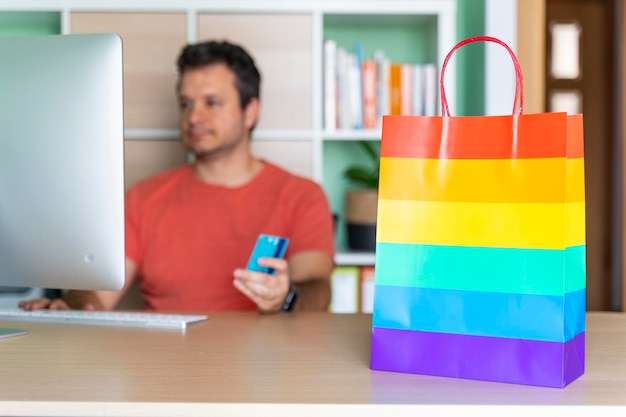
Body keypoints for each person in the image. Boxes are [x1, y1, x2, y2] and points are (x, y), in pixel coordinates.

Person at [20, 40, 335, 313]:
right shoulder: (144, 197)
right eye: (186, 104)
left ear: (250, 111)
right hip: (160, 369)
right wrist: (72, 307)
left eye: (211, 103)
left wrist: (286, 296)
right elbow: (98, 296)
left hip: (264, 369)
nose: (194, 117)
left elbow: (318, 291)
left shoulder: (301, 196)